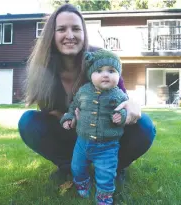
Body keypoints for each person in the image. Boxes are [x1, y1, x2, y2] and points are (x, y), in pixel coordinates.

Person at [18, 2, 156, 193]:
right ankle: (68, 167)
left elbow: (122, 98)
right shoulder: (43, 70)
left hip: (106, 134)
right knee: (28, 122)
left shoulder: (100, 59)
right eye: (61, 29)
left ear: (84, 33)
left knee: (145, 126)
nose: (70, 35)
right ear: (52, 35)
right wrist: (74, 119)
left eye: (76, 28)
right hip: (71, 132)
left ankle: (113, 167)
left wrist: (131, 104)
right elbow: (49, 112)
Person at [60, 49, 128, 204]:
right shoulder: (83, 91)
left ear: (119, 75)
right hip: (82, 142)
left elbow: (126, 110)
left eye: (111, 71)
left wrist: (122, 116)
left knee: (106, 173)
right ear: (90, 74)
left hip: (108, 146)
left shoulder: (119, 95)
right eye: (99, 71)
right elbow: (73, 107)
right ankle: (82, 182)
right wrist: (68, 118)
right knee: (77, 167)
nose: (105, 75)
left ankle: (104, 196)